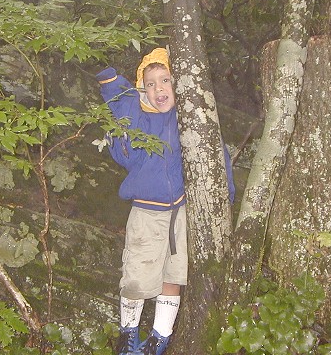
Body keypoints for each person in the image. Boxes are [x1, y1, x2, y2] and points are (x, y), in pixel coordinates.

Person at [96, 48, 234, 355]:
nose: (160, 89)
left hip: (182, 212)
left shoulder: (189, 118)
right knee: (137, 277)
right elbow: (122, 106)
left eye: (166, 80)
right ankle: (128, 335)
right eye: (151, 83)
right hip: (146, 212)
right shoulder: (140, 120)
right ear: (142, 90)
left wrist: (228, 195)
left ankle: (160, 336)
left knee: (174, 275)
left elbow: (217, 156)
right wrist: (110, 81)